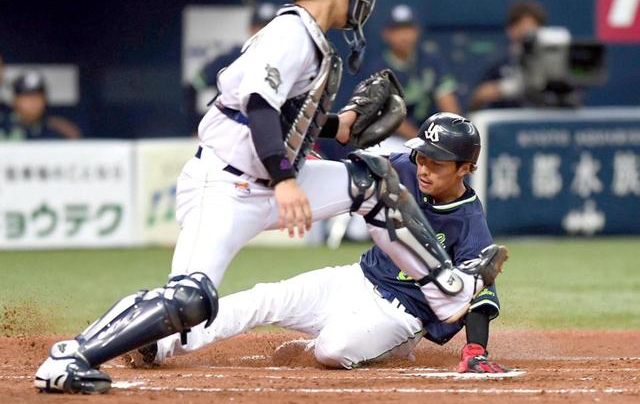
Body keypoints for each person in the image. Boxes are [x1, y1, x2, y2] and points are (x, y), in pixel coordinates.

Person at [34, 0, 506, 394]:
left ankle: (448, 290)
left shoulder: (307, 37)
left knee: (374, 184)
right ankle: (73, 355)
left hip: (264, 175)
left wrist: (338, 126)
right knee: (191, 298)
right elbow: (258, 105)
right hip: (228, 185)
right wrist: (284, 180)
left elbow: (280, 116)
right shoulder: (291, 32)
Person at [128, 113, 508, 373]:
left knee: (333, 350)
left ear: (466, 168)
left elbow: (478, 290)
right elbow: (352, 171)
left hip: (399, 315)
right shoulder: (402, 168)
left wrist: (476, 348)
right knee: (265, 298)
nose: (424, 168)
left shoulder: (469, 219)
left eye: (437, 163)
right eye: (422, 156)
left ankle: (371, 349)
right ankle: (160, 344)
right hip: (355, 280)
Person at [368, 4, 461, 153]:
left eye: (407, 28)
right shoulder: (379, 69)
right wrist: (421, 141)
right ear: (386, 34)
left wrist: (454, 134)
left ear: (416, 31)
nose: (403, 35)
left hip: (431, 136)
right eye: (397, 30)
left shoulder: (431, 61)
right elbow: (391, 117)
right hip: (392, 140)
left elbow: (447, 100)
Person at [184, 2, 278, 133]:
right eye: (259, 27)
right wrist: (196, 127)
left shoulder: (283, 61)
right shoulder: (230, 59)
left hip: (269, 133)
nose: (263, 32)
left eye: (269, 27)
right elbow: (193, 86)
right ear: (250, 29)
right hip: (230, 133)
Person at [468, 0, 547, 111]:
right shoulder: (498, 64)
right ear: (511, 30)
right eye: (524, 29)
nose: (529, 36)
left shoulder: (551, 65)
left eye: (534, 31)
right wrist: (495, 91)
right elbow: (476, 99)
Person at [0, 71, 81, 140]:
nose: (33, 102)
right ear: (15, 100)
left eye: (37, 96)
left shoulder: (57, 129)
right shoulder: (3, 125)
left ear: (45, 100)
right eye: (27, 96)